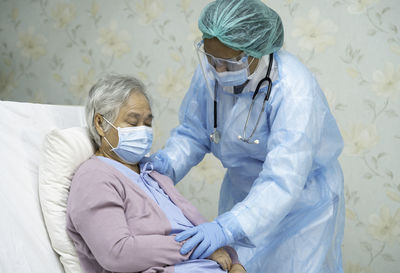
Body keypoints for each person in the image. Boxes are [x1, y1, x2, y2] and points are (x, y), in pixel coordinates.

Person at [145, 0, 345, 272]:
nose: (218, 70)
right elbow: (193, 133)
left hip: (300, 206)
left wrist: (227, 227)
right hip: (242, 195)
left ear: (255, 51)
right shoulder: (213, 71)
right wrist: (166, 164)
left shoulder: (295, 90)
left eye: (227, 62)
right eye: (211, 58)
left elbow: (283, 179)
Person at [66, 74, 247, 273]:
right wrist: (196, 249)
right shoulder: (94, 177)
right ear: (100, 124)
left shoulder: (152, 172)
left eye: (147, 123)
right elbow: (117, 252)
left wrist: (234, 262)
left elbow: (202, 231)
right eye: (133, 123)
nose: (142, 131)